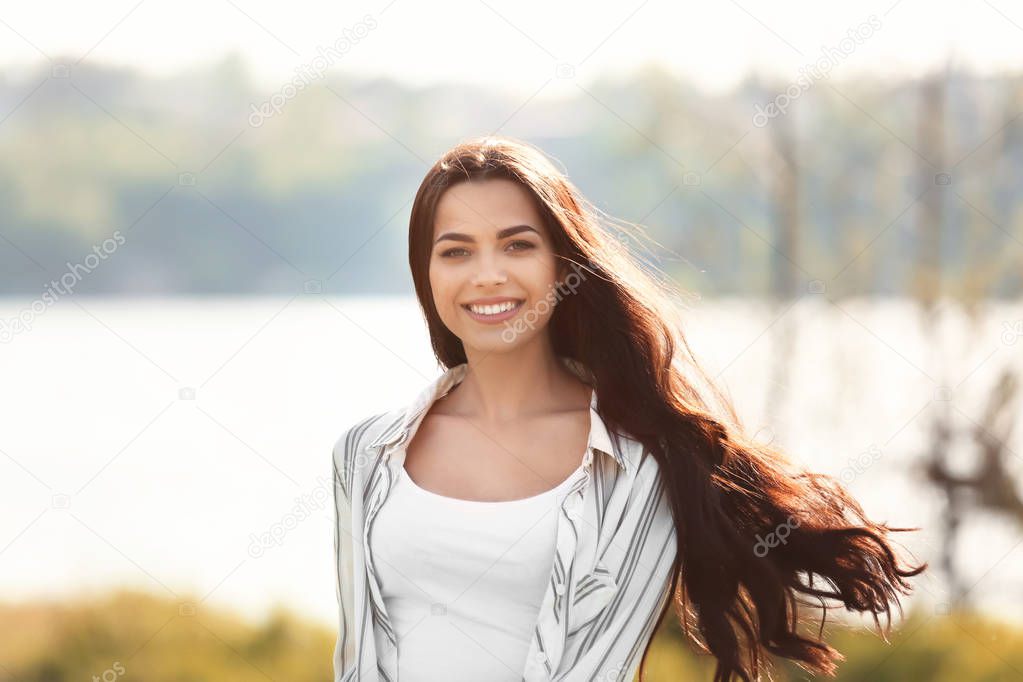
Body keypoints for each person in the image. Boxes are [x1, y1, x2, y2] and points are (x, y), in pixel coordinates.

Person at [332, 135, 926, 681]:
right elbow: (356, 657)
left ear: (562, 265)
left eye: (517, 245)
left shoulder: (638, 466)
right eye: (456, 252)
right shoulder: (364, 456)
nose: (488, 275)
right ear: (426, 275)